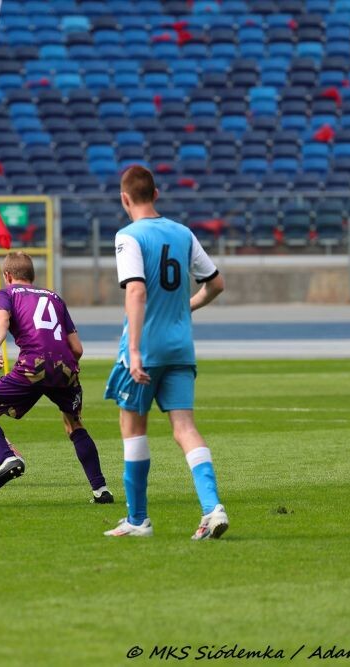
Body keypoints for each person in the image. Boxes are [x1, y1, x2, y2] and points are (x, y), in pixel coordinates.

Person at [102, 165, 228, 540]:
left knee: (132, 428)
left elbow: (136, 290)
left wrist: (134, 350)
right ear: (156, 194)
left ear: (125, 199)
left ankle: (138, 520)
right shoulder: (183, 233)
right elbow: (216, 284)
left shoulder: (128, 236)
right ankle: (212, 508)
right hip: (180, 346)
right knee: (185, 428)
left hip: (146, 347)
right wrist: (185, 308)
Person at [0, 251, 114, 503]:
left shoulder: (5, 293)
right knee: (74, 425)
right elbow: (77, 348)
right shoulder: (55, 297)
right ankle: (101, 490)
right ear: (32, 276)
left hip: (33, 364)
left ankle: (7, 458)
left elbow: (2, 317)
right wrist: (66, 368)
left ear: (7, 275)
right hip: (66, 367)